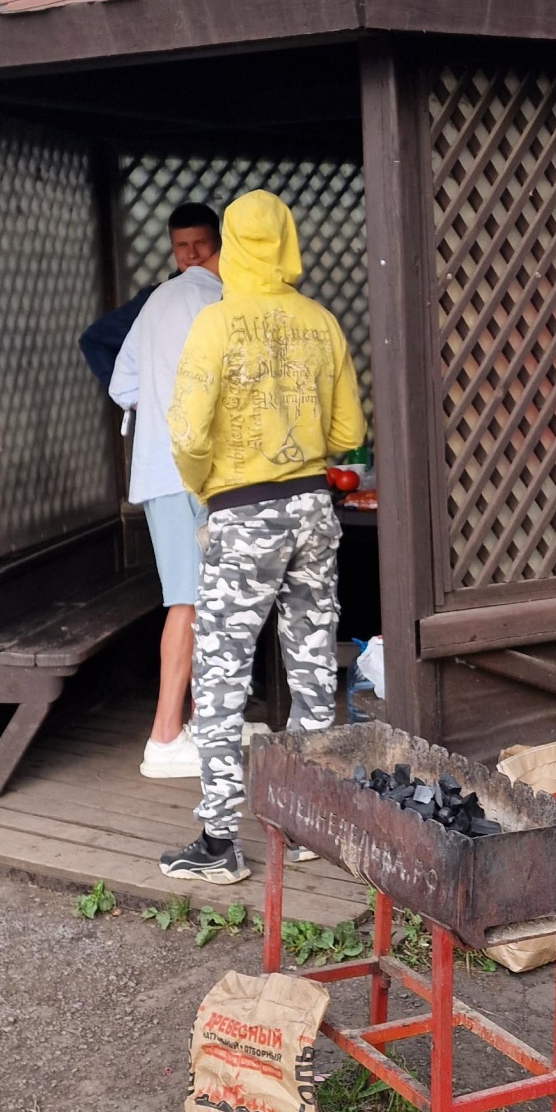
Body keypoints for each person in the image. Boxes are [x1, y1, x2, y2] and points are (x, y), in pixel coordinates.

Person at [158, 187, 365, 882]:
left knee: (221, 675)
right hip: (312, 507)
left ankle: (220, 839)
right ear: (287, 242)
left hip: (242, 510)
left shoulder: (215, 325)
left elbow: (185, 432)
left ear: (233, 247)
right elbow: (348, 434)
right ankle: (309, 824)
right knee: (311, 668)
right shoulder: (322, 323)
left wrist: (208, 489)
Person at [108, 202, 223, 777]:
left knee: (197, 597)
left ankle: (203, 724)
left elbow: (120, 384)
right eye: (184, 247)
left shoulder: (154, 302)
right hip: (189, 473)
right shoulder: (217, 300)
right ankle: (164, 737)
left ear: (215, 244)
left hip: (157, 470)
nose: (192, 256)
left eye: (199, 245)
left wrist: (155, 410)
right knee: (190, 600)